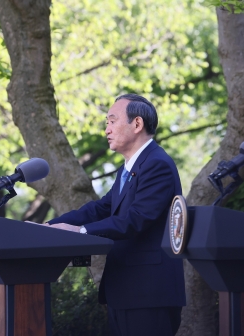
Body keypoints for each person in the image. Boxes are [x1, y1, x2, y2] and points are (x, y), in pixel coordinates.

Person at [46, 94, 186, 336]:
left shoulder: (157, 164)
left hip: (148, 293)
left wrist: (80, 232)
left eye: (112, 121)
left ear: (137, 124)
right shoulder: (128, 168)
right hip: (125, 291)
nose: (106, 129)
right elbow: (100, 208)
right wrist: (48, 227)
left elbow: (136, 219)